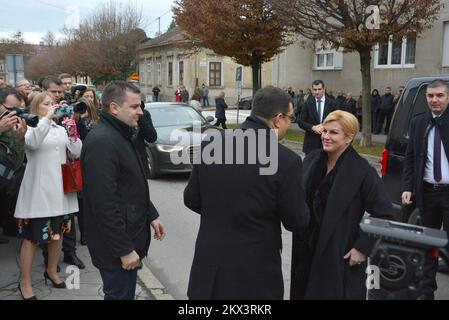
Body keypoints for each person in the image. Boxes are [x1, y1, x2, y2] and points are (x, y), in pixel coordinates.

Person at [184, 86, 309, 300]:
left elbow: (191, 199)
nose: (290, 124)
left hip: (209, 268)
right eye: (290, 118)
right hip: (254, 276)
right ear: (278, 119)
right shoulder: (286, 161)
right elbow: (296, 220)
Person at [290, 110, 394, 300]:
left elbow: (384, 213)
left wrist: (362, 248)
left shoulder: (363, 171)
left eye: (333, 133)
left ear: (349, 137)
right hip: (305, 253)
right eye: (325, 131)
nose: (326, 137)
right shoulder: (312, 160)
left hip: (339, 254)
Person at [81, 81, 166, 300]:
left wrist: (151, 214)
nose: (141, 112)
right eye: (135, 106)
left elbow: (131, 185)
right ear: (114, 108)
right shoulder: (103, 141)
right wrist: (124, 250)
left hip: (128, 240)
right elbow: (103, 203)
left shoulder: (122, 134)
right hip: (116, 249)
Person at [14, 92, 82, 300]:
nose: (52, 106)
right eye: (47, 104)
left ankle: (51, 270)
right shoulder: (29, 128)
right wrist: (46, 118)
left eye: (54, 103)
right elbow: (33, 143)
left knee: (57, 234)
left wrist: (72, 131)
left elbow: (76, 152)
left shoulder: (60, 129)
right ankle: (24, 283)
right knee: (32, 239)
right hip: (38, 192)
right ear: (36, 108)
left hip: (60, 191)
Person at [402, 79, 449, 300]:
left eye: (439, 95)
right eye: (430, 96)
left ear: (447, 97)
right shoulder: (419, 122)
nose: (434, 100)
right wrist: (408, 187)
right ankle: (427, 292)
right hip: (428, 194)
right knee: (429, 245)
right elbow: (410, 158)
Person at [0, 89, 27, 244]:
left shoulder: (12, 124)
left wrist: (19, 140)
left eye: (17, 110)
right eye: (10, 109)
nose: (14, 114)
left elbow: (16, 163)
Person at [299, 80, 336, 154]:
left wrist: (324, 126)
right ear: (312, 90)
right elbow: (301, 122)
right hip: (311, 144)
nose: (317, 92)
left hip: (328, 142)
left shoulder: (332, 103)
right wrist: (313, 127)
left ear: (324, 89)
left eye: (319, 89)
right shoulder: (307, 103)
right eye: (315, 90)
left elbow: (337, 121)